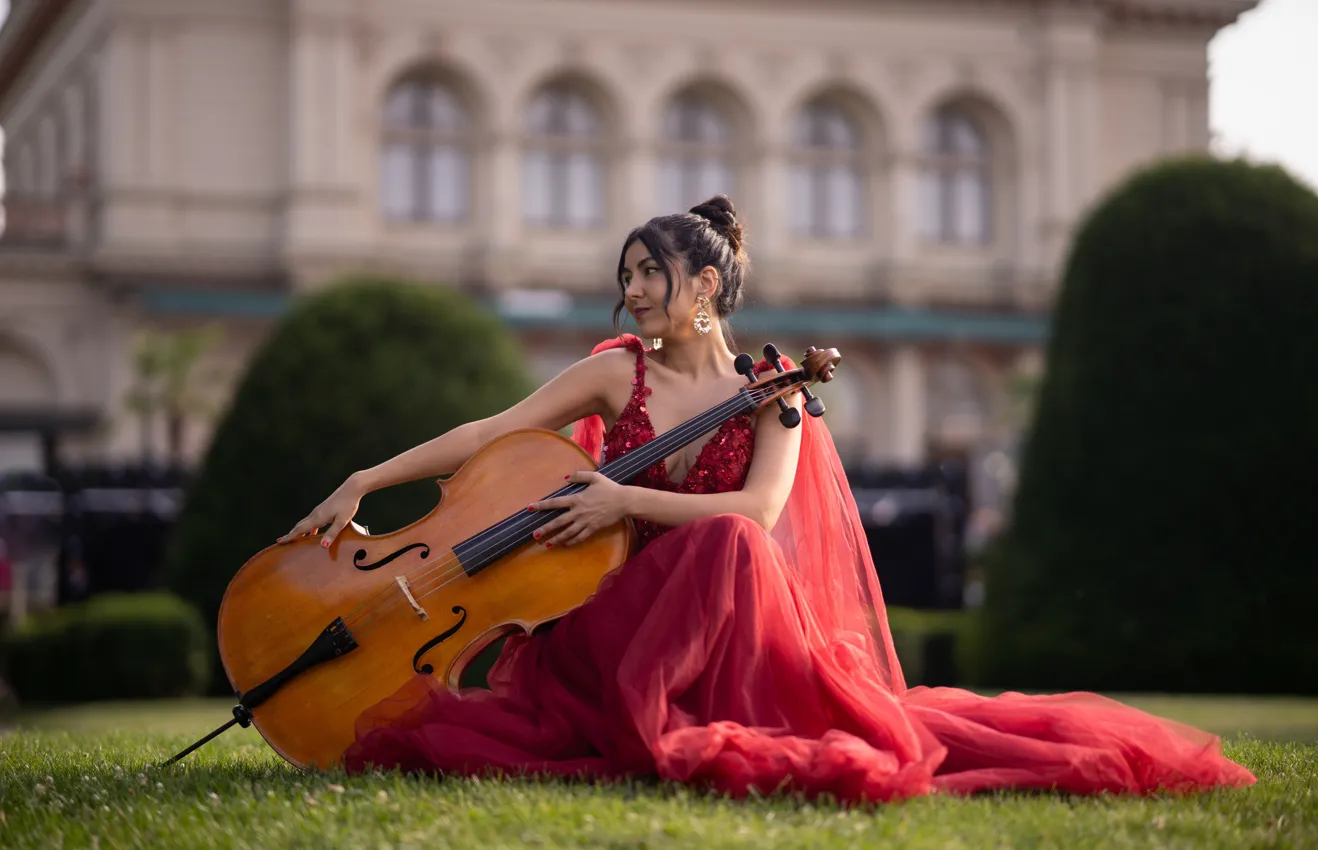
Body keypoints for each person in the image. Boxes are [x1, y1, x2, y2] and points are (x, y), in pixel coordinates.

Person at [280, 195, 1256, 802]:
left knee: (733, 548)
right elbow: (488, 433)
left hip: (719, 617)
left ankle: (677, 717)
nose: (631, 291)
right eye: (624, 276)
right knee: (711, 553)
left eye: (647, 274)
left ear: (704, 283)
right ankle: (638, 712)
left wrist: (627, 504)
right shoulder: (616, 373)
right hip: (607, 624)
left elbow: (758, 513)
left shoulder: (778, 387)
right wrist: (369, 479)